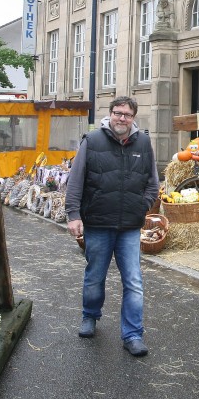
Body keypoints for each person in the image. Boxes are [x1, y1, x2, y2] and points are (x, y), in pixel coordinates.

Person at [64, 97, 159, 356]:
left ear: (133, 118)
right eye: (118, 113)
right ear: (110, 114)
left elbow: (153, 182)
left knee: (134, 281)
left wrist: (142, 205)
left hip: (129, 226)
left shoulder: (143, 143)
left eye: (127, 114)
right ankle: (90, 315)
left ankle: (133, 334)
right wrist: (73, 214)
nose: (122, 118)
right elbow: (76, 180)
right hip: (98, 223)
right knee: (95, 277)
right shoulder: (92, 141)